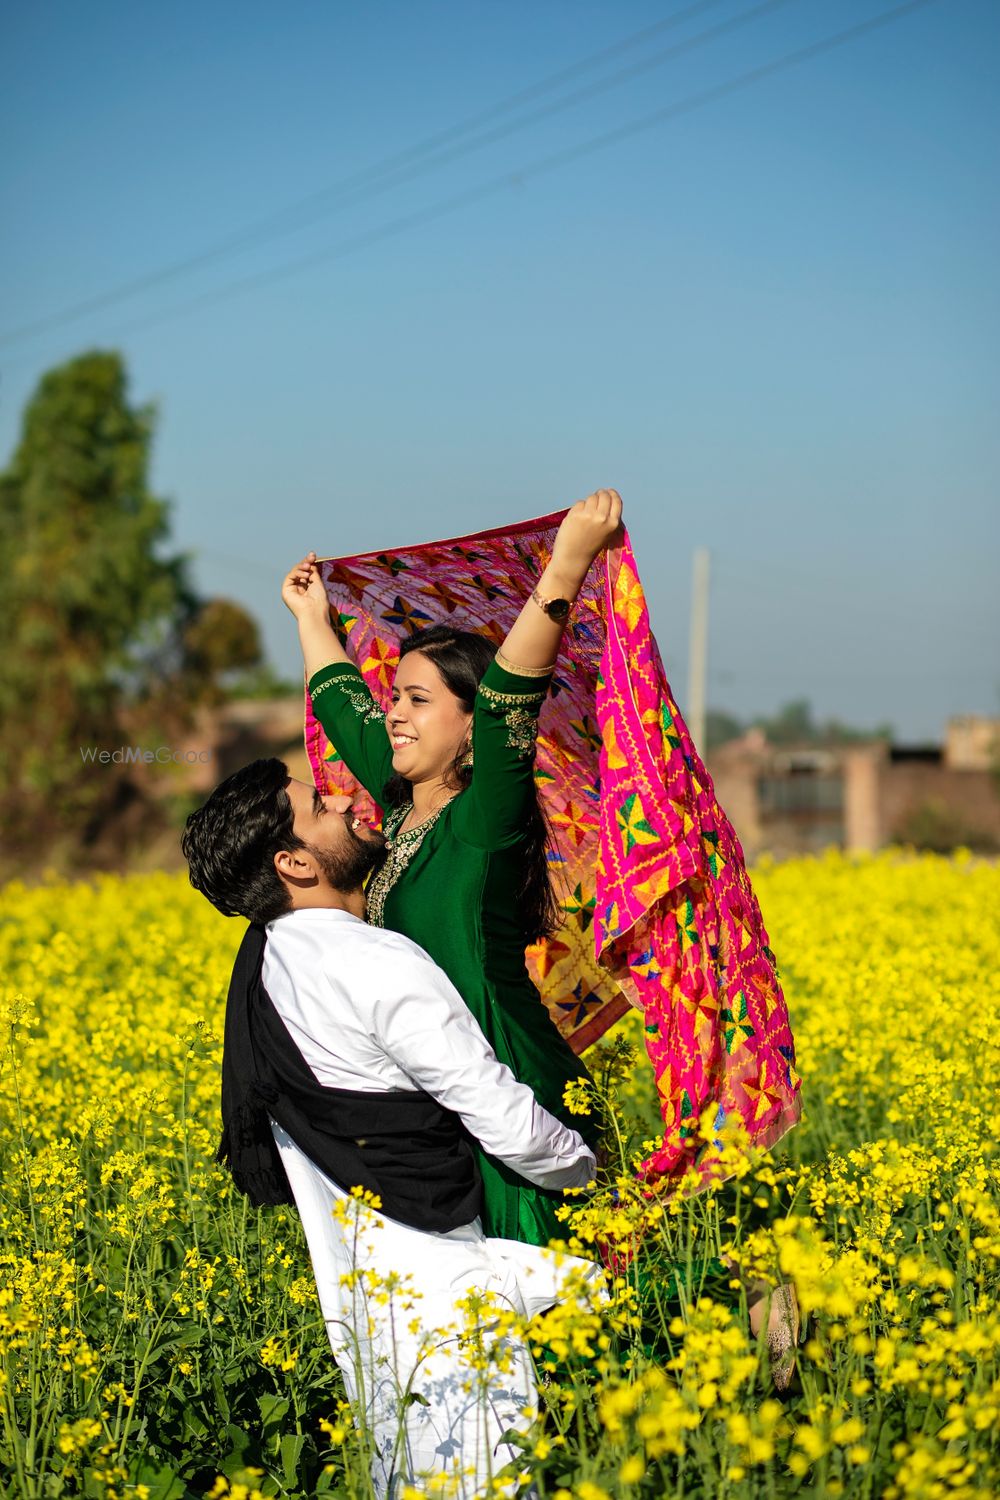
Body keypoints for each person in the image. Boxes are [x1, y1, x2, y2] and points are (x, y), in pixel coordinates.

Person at [181, 757, 597, 1499]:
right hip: (445, 1309)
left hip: (371, 1314)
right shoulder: (369, 959)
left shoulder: (268, 965)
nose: (342, 801)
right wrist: (590, 1163)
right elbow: (505, 1120)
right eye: (319, 807)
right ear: (294, 861)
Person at [282, 489, 623, 1248]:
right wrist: (310, 619)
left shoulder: (484, 819)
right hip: (450, 1092)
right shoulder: (403, 808)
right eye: (393, 697)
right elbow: (348, 713)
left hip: (516, 1087)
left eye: (414, 699)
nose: (393, 712)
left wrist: (567, 563)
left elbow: (509, 699)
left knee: (563, 1292)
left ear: (468, 729)